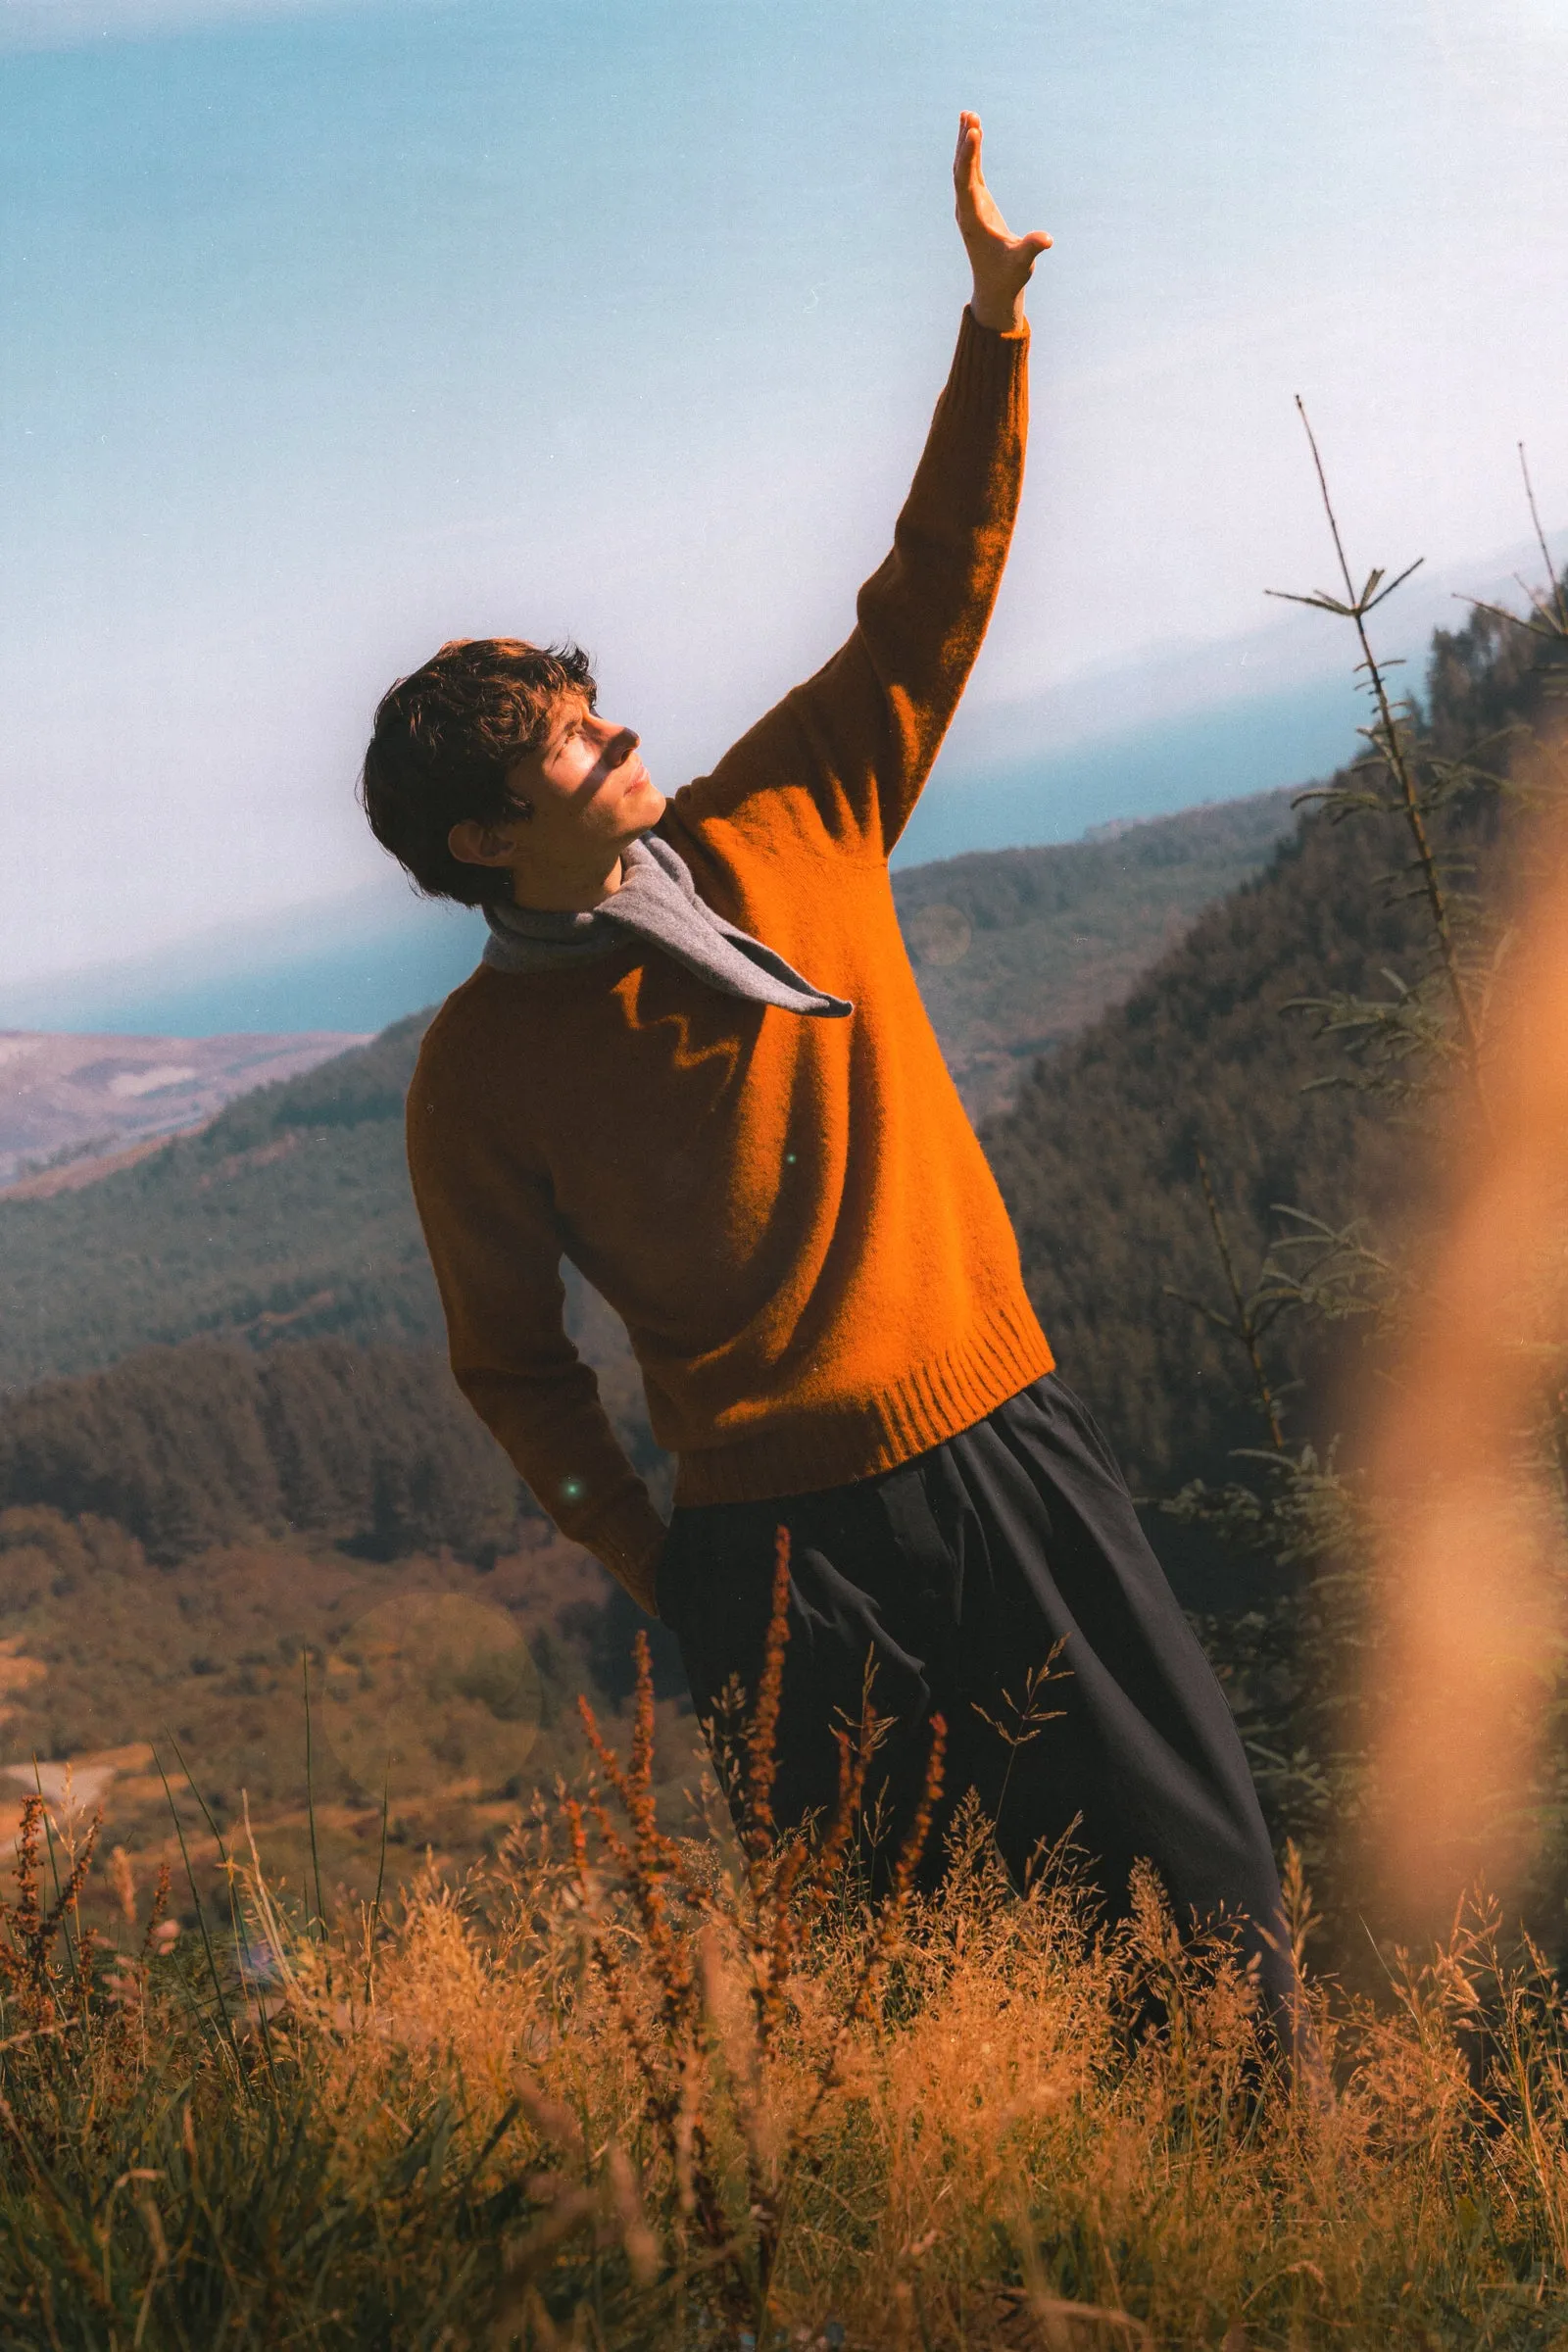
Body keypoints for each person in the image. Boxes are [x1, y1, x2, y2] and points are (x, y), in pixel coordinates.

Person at [362, 114, 1298, 2035]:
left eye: (591, 703)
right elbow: (509, 1365)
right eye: (560, 737)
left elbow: (925, 590)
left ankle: (1269, 2262)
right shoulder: (476, 1076)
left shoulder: (793, 815)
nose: (616, 731)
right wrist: (664, 1571)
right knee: (898, 2005)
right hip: (772, 1562)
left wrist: (987, 331)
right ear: (476, 839)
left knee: (1202, 1909)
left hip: (999, 1448)